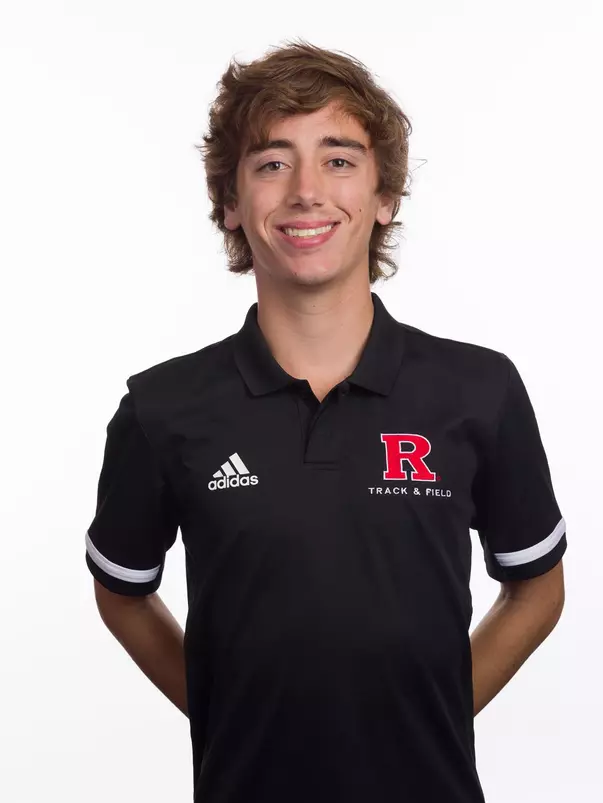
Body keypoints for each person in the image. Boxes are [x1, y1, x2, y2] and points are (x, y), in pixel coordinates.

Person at [85, 39, 567, 803]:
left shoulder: (478, 390)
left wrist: (434, 713)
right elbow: (122, 591)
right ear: (230, 203)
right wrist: (224, 710)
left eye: (338, 159)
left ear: (384, 196)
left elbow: (537, 587)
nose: (306, 190)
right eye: (272, 163)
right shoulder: (162, 408)